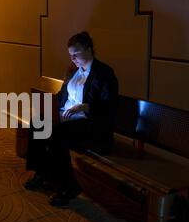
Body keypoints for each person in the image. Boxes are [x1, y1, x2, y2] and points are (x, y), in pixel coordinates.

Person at [25, 31, 119, 207]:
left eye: (76, 54)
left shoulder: (104, 72)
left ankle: (69, 186)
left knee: (56, 135)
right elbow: (62, 96)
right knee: (38, 123)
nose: (73, 59)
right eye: (70, 55)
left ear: (89, 49)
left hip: (90, 123)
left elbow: (110, 105)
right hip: (67, 118)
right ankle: (42, 173)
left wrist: (85, 106)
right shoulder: (73, 71)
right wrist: (52, 106)